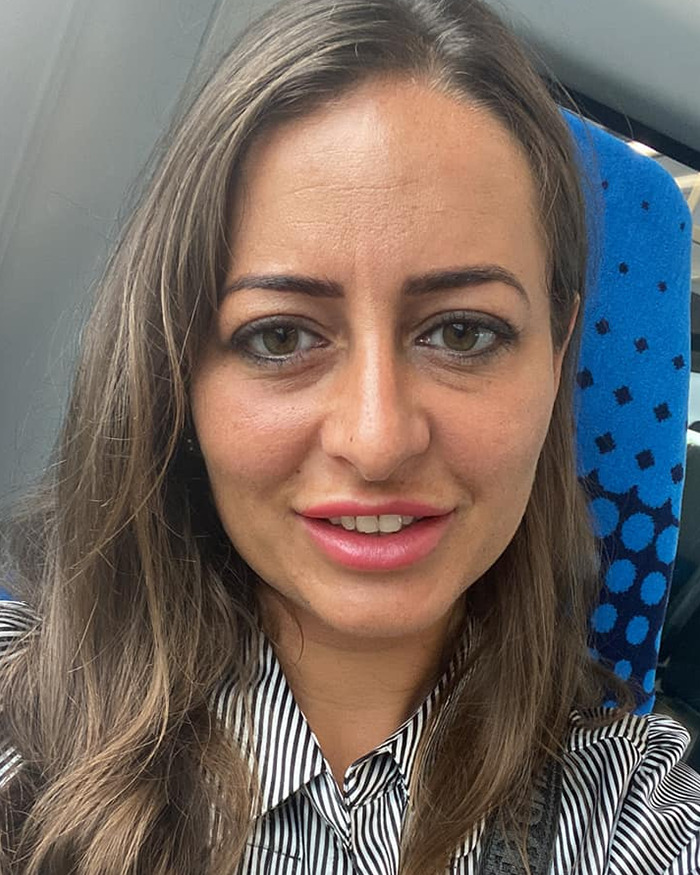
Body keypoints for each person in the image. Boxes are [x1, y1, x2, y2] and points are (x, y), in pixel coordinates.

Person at [0, 0, 698, 872]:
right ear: (181, 372)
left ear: (557, 354)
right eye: (281, 337)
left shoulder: (628, 807)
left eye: (463, 332)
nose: (376, 441)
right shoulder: (20, 727)